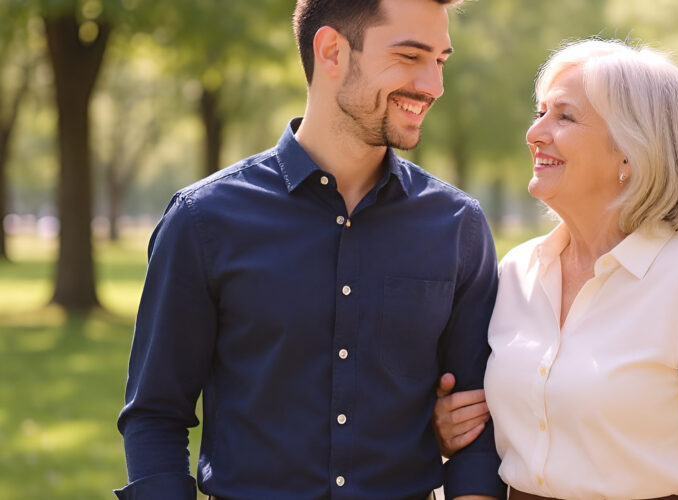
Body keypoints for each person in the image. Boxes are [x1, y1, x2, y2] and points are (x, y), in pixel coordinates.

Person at [115, 1, 505, 499]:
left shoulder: (457, 226)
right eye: (410, 56)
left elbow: (477, 427)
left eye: (441, 61)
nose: (434, 85)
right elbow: (155, 415)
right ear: (331, 51)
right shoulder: (203, 220)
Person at [434, 39, 678, 499]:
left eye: (564, 116)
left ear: (631, 152)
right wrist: (444, 427)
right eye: (540, 113)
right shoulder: (517, 271)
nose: (534, 133)